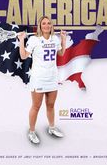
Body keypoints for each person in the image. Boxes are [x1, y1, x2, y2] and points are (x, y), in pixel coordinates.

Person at [18, 16, 66, 144]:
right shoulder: (34, 39)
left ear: (51, 26)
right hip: (39, 79)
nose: (46, 25)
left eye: (49, 23)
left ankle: (51, 128)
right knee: (36, 106)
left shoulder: (55, 39)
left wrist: (63, 39)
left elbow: (61, 53)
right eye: (43, 23)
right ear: (40, 26)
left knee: (50, 105)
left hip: (52, 77)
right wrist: (21, 40)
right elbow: (23, 56)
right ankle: (32, 132)